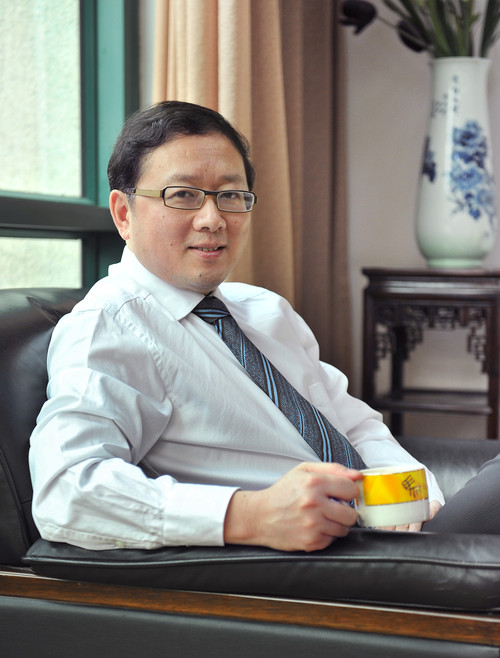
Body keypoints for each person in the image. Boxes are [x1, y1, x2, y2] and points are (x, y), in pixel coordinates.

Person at [29, 100, 445, 553]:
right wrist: (249, 516)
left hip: (391, 536)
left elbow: (353, 424)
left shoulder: (265, 309)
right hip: (303, 563)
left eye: (230, 196)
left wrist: (417, 494)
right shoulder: (108, 326)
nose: (213, 220)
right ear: (123, 214)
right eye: (182, 195)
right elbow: (66, 490)